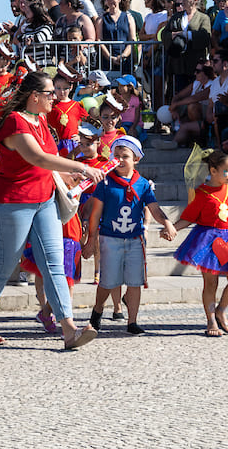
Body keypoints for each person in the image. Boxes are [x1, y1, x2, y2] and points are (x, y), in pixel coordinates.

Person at [0, 71, 106, 349]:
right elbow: (37, 157)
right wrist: (81, 167)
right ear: (34, 97)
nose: (55, 97)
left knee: (54, 264)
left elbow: (49, 161)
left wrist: (70, 176)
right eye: (49, 93)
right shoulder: (14, 122)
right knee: (3, 265)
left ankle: (69, 329)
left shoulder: (42, 119)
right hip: (12, 202)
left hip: (45, 199)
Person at [83, 136, 177, 335]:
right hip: (110, 238)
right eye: (116, 155)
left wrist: (167, 223)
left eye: (124, 156)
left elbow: (154, 208)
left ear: (136, 159)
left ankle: (132, 321)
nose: (119, 159)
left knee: (135, 282)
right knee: (108, 281)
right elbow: (96, 213)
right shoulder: (106, 182)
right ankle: (97, 310)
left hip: (135, 240)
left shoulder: (142, 184)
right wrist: (91, 239)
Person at [171, 149, 228, 336]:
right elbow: (188, 218)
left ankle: (221, 310)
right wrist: (172, 229)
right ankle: (211, 320)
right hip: (207, 239)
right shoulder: (202, 193)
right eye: (226, 171)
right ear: (213, 171)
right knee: (210, 283)